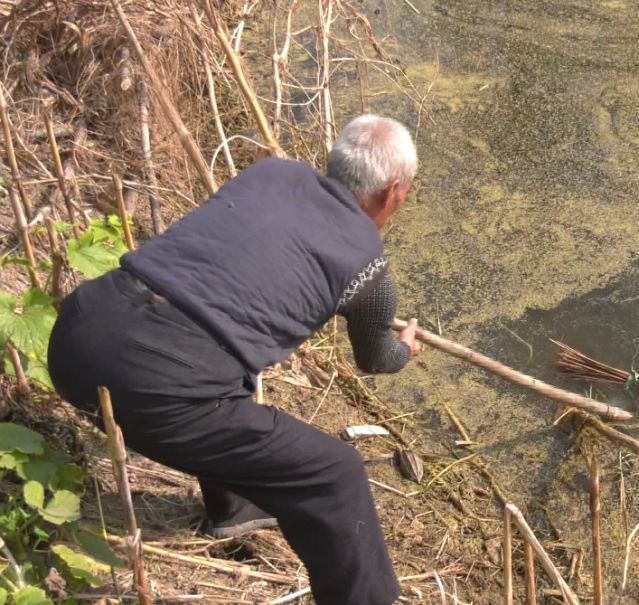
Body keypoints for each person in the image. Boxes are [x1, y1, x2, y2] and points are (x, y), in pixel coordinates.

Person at [47, 115, 422, 605]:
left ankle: (232, 509)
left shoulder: (273, 172)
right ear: (393, 191)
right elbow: (375, 360)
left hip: (79, 328)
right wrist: (405, 349)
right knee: (337, 474)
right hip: (149, 383)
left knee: (224, 366)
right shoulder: (368, 268)